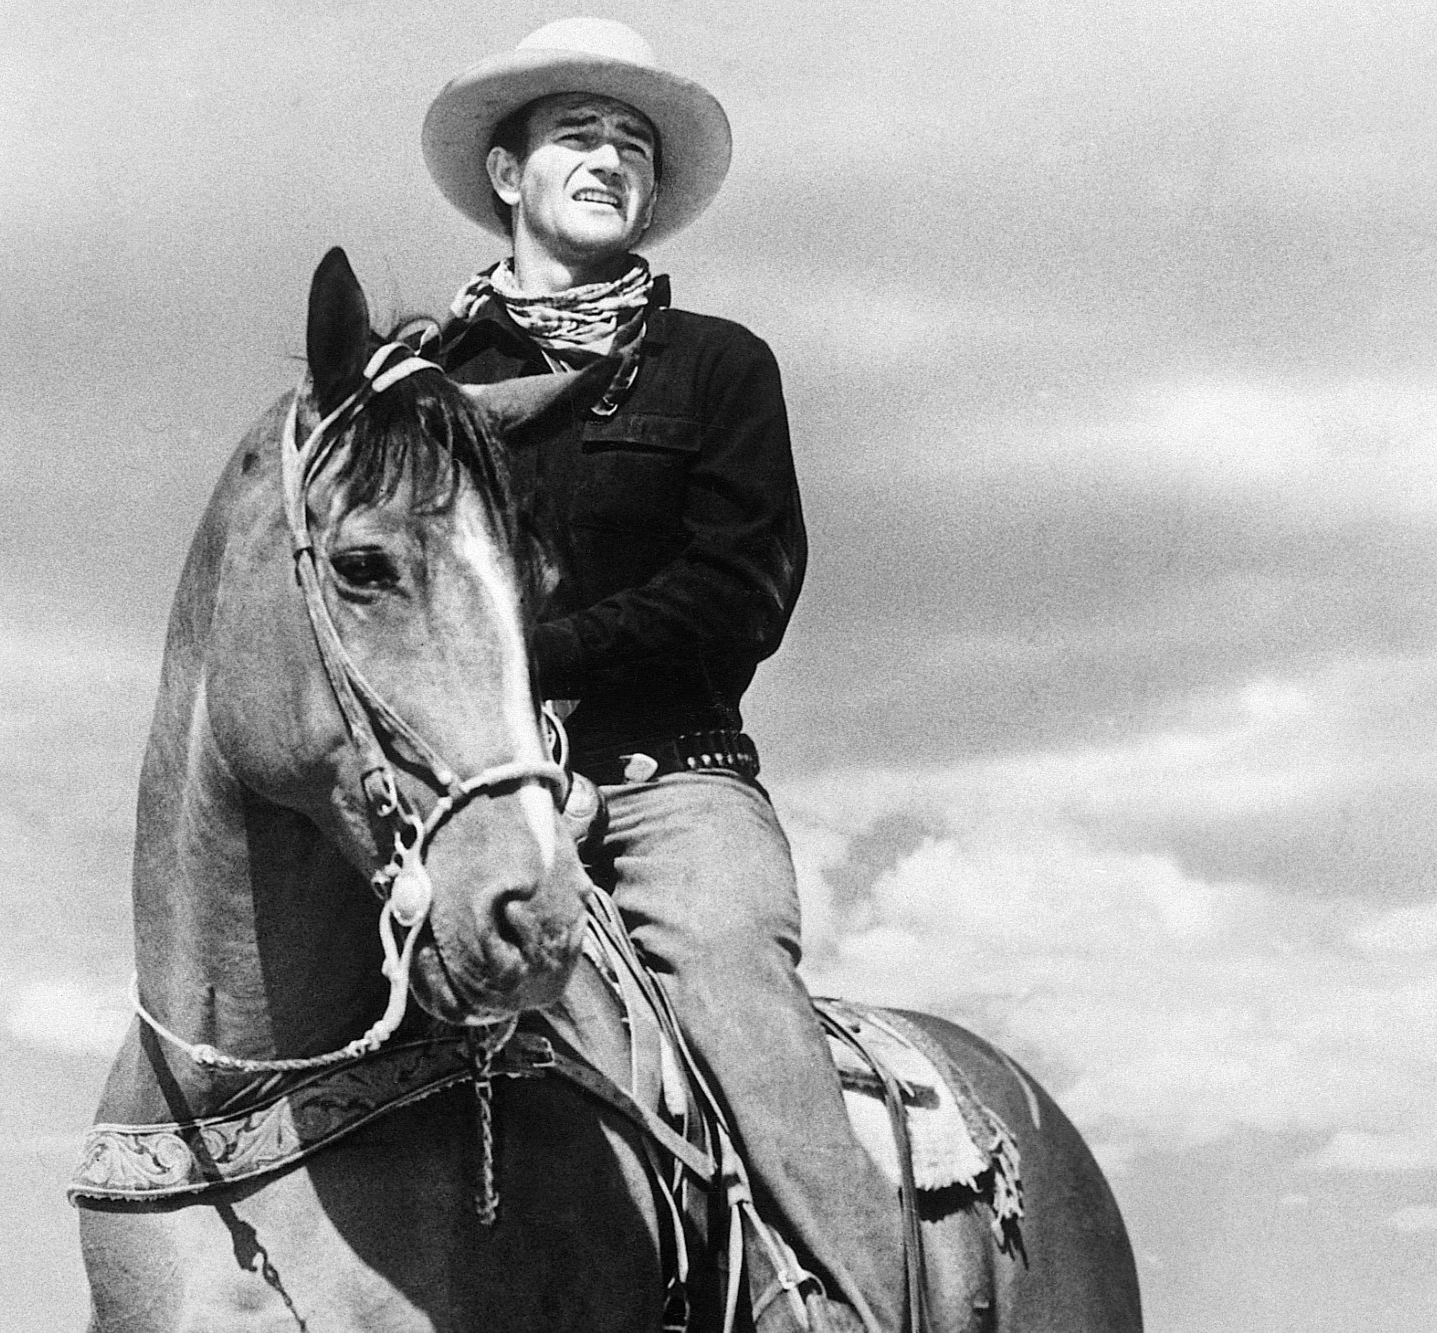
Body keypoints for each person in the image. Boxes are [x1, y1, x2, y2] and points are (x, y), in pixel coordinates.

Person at [420, 18, 906, 1333]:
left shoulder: (721, 367)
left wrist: (544, 659)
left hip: (667, 780)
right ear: (510, 173)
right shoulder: (428, 387)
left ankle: (851, 1304)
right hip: (462, 792)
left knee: (733, 990)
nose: (612, 156)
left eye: (633, 142)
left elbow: (741, 592)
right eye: (580, 132)